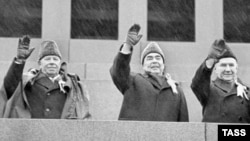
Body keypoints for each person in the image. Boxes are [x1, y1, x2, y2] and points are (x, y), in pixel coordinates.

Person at [110, 24, 189, 121]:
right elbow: (118, 71)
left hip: (166, 136)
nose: (154, 61)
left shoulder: (176, 90)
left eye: (158, 58)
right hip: (135, 135)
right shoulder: (133, 80)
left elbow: (184, 124)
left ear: (163, 65)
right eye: (149, 58)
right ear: (143, 65)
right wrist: (127, 45)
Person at [0, 35, 90, 119]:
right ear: (39, 64)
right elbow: (9, 87)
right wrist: (19, 61)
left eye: (55, 59)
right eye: (47, 59)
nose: (52, 62)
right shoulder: (27, 82)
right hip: (32, 132)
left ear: (60, 63)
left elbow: (82, 112)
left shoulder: (72, 85)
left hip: (60, 133)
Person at [191, 39, 250, 123]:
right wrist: (209, 61)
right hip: (214, 135)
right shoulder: (208, 90)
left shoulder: (247, 92)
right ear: (215, 69)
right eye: (223, 65)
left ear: (236, 68)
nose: (228, 69)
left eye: (231, 65)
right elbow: (197, 83)